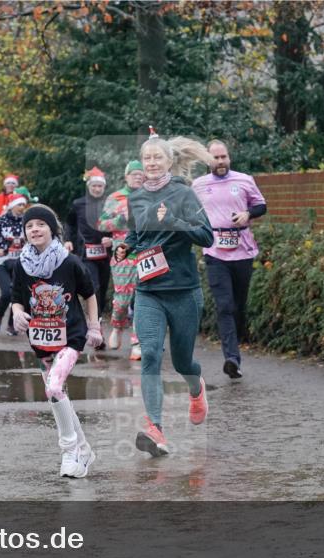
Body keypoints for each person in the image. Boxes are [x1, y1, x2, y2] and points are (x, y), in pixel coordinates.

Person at [114, 129, 214, 457]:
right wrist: (125, 247)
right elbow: (137, 237)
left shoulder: (183, 194)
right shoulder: (137, 198)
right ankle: (155, 429)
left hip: (183, 290)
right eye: (147, 158)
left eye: (157, 157)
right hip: (149, 291)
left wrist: (173, 221)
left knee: (183, 361)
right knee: (151, 355)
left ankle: (196, 389)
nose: (152, 162)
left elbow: (207, 236)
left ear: (169, 161)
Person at [10, 204, 103, 478]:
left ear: (52, 229)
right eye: (29, 226)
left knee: (53, 388)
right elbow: (16, 298)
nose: (34, 229)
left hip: (70, 337)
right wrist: (17, 314)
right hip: (41, 341)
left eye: (41, 224)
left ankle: (69, 451)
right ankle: (84, 450)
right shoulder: (22, 265)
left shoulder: (69, 261)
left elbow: (90, 294)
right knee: (58, 394)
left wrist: (94, 327)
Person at [192, 140, 267, 379]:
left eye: (223, 157)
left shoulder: (244, 180)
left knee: (238, 305)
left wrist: (247, 213)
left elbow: (261, 205)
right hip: (215, 252)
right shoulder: (198, 185)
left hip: (243, 249)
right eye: (216, 158)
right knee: (224, 305)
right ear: (208, 161)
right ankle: (232, 359)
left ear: (229, 158)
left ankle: (238, 339)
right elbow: (190, 212)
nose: (221, 161)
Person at [97, 160, 146, 359]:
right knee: (123, 299)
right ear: (126, 177)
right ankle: (117, 326)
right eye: (134, 174)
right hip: (123, 252)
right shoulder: (115, 197)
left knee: (143, 297)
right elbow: (102, 224)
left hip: (146, 252)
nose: (138, 177)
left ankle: (137, 341)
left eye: (141, 174)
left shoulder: (150, 196)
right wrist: (121, 220)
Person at [66, 167, 113, 351]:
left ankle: (96, 321)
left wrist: (112, 238)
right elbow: (70, 223)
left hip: (105, 254)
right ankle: (97, 329)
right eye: (94, 186)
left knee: (103, 290)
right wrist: (68, 240)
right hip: (86, 253)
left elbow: (119, 225)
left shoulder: (110, 203)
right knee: (95, 288)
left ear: (104, 187)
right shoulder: (78, 204)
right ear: (89, 186)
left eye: (100, 186)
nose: (97, 189)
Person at [0, 193, 28, 334]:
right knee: (7, 292)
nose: (22, 207)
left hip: (20, 263)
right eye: (19, 204)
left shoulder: (27, 221)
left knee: (19, 294)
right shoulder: (0, 221)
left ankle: (12, 324)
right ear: (12, 206)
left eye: (24, 205)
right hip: (2, 262)